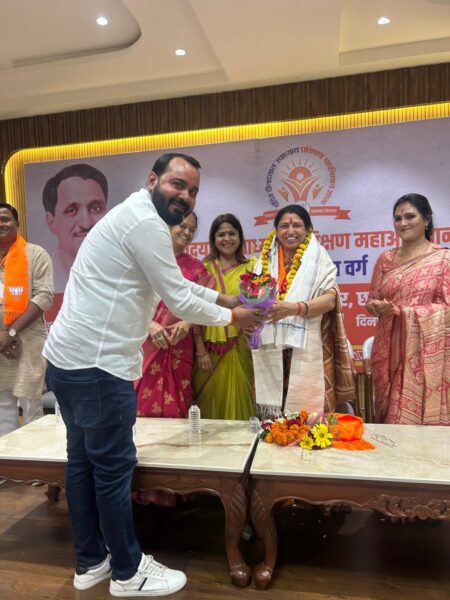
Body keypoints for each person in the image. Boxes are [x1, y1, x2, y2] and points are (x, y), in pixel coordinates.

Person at [43, 153, 262, 597]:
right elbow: (177, 298)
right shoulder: (145, 223)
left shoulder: (135, 215)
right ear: (152, 180)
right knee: (112, 469)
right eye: (177, 184)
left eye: (193, 191)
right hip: (98, 366)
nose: (186, 197)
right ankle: (127, 572)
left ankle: (91, 562)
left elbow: (176, 287)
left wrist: (223, 298)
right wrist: (234, 317)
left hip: (69, 360)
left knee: (82, 463)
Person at [251, 205, 355, 419]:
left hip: (307, 345)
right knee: (274, 417)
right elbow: (253, 299)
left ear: (308, 229)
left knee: (307, 416)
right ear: (276, 230)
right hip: (271, 345)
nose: (290, 231)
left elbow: (330, 299)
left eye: (297, 225)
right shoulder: (265, 259)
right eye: (284, 226)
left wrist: (295, 308)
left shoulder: (319, 257)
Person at [366, 193, 450, 425]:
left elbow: (447, 308)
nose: (402, 223)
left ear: (426, 220)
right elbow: (371, 301)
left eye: (410, 216)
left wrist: (404, 313)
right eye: (397, 218)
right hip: (388, 349)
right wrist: (377, 308)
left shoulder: (443, 259)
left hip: (425, 352)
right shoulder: (385, 259)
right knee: (389, 418)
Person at [136, 212, 214, 419]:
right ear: (167, 227)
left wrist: (188, 322)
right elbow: (127, 300)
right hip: (146, 342)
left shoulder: (197, 268)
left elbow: (206, 304)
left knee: (177, 405)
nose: (186, 232)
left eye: (192, 229)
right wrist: (149, 324)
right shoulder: (145, 260)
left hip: (179, 345)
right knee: (139, 404)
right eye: (182, 226)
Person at [192, 214, 257, 420]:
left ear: (240, 237)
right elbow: (194, 311)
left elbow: (261, 306)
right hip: (209, 349)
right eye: (221, 235)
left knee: (243, 399)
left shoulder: (253, 267)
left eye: (232, 233)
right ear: (213, 239)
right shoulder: (203, 268)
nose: (227, 239)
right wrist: (200, 350)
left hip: (243, 345)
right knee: (210, 402)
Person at [0, 202, 54, 436]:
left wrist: (10, 333)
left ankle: (33, 457)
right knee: (2, 407)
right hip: (0, 346)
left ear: (17, 223)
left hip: (28, 343)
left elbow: (44, 297)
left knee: (31, 405)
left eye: (5, 219)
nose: (0, 224)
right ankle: (6, 457)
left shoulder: (35, 254)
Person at [43, 163, 108, 291]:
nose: (86, 223)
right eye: (72, 210)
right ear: (51, 222)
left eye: (96, 208)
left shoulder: (126, 264)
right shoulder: (41, 275)